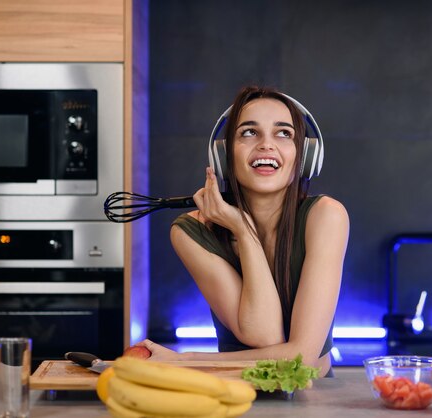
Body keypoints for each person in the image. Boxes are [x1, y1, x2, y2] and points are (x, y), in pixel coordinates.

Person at [138, 86, 349, 377]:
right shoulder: (190, 231)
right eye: (249, 132)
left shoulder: (326, 217)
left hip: (312, 399)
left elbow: (302, 359)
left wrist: (184, 360)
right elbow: (264, 334)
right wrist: (243, 230)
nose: (266, 145)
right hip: (229, 389)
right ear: (223, 156)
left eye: (284, 133)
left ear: (305, 155)